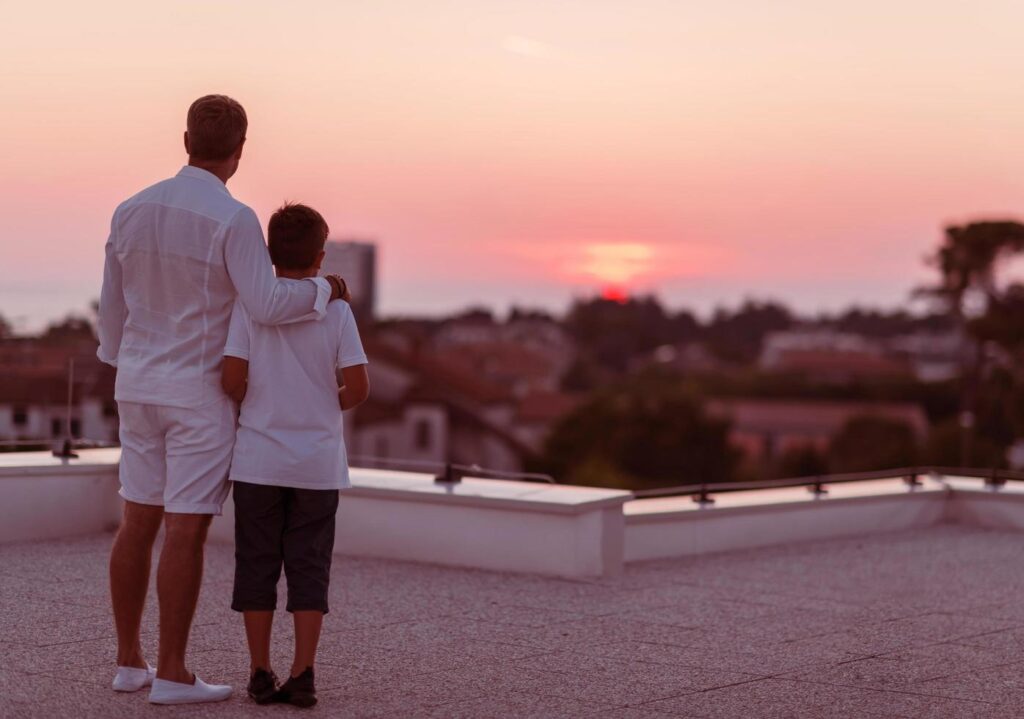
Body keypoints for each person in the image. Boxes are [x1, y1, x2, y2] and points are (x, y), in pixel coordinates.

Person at [97, 95, 351, 705]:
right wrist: (323, 289)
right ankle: (172, 673)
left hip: (136, 384)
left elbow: (112, 310)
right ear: (239, 151)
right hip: (197, 394)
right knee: (185, 530)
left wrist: (124, 362)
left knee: (137, 521)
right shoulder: (233, 219)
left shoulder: (130, 209)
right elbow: (265, 304)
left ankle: (129, 661)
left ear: (185, 139)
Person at [221, 202, 369, 708]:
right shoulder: (339, 310)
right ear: (321, 255)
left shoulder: (248, 307)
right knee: (309, 567)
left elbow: (231, 380)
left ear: (267, 254)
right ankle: (303, 673)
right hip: (317, 465)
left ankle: (260, 672)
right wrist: (327, 404)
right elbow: (359, 387)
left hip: (259, 461)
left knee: (257, 564)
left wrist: (262, 401)